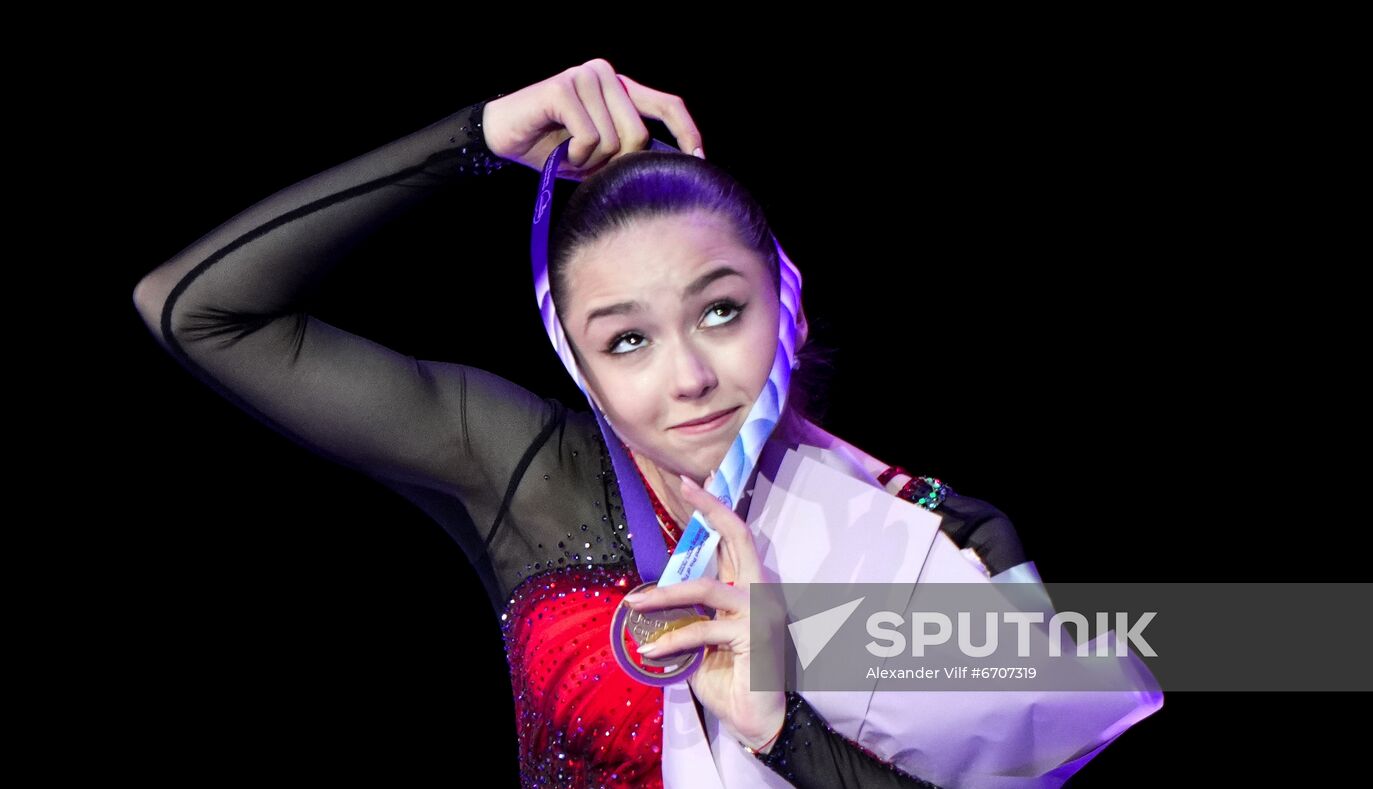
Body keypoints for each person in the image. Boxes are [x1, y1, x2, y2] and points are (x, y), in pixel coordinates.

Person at [133, 59, 1156, 788]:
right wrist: (478, 138)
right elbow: (193, 310)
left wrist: (781, 729)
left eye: (720, 311)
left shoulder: (921, 532)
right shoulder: (527, 474)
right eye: (626, 340)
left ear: (787, 303)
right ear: (576, 360)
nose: (689, 377)